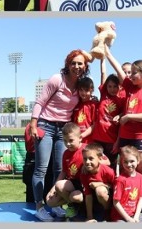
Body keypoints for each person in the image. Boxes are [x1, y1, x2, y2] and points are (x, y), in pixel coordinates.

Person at [30, 49, 89, 221]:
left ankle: (56, 205)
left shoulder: (81, 85)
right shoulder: (57, 79)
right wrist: (33, 124)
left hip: (64, 130)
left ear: (85, 66)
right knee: (41, 169)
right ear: (67, 64)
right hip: (46, 126)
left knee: (60, 169)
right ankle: (39, 206)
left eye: (80, 63)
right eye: (73, 63)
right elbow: (40, 102)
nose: (77, 66)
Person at [106, 46, 142, 219]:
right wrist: (107, 52)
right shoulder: (129, 86)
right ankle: (124, 201)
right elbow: (118, 69)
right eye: (131, 72)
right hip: (125, 136)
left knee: (141, 170)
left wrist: (129, 116)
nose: (131, 75)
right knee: (125, 168)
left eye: (135, 72)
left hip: (140, 137)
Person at [44, 123, 85, 220]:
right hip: (72, 183)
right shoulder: (66, 153)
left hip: (85, 184)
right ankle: (73, 206)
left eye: (71, 140)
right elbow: (63, 172)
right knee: (50, 201)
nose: (68, 144)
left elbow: (105, 161)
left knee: (76, 197)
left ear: (80, 138)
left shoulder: (87, 149)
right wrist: (53, 188)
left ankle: (82, 207)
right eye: (65, 141)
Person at [80, 143, 115, 222]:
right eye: (85, 159)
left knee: (100, 191)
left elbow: (115, 187)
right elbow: (88, 195)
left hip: (107, 196)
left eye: (91, 158)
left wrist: (100, 184)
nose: (87, 162)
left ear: (99, 158)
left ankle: (108, 212)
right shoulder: (84, 173)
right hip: (94, 198)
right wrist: (90, 217)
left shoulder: (108, 171)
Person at [111, 146, 142, 222]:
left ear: (138, 161)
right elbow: (115, 202)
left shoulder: (141, 177)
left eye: (132, 161)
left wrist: (136, 217)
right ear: (121, 162)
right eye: (125, 162)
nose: (129, 164)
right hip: (120, 216)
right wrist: (128, 219)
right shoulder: (120, 180)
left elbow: (141, 198)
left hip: (134, 214)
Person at [72, 77, 97, 144]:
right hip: (77, 140)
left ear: (92, 90)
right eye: (81, 90)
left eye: (86, 90)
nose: (83, 93)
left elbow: (94, 125)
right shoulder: (76, 104)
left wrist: (82, 135)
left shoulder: (94, 105)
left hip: (89, 141)